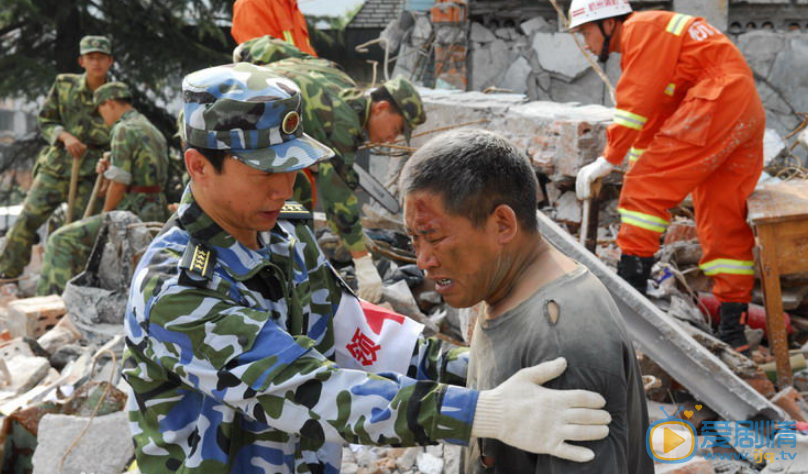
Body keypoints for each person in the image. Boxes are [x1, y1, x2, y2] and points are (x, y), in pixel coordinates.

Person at [123, 63, 612, 474]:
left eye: (292, 168)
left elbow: (361, 335)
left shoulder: (284, 236)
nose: (284, 189)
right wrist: (481, 411)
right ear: (198, 166)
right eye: (264, 173)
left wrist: (483, 369)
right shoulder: (178, 288)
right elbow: (306, 389)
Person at [399, 129, 652, 474]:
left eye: (435, 237)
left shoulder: (562, 338)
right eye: (414, 239)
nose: (423, 260)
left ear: (502, 224)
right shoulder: (501, 289)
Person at [570, 0, 765, 352]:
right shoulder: (662, 36)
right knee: (721, 216)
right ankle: (733, 331)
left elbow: (635, 104)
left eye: (585, 32)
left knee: (643, 192)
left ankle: (630, 302)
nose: (585, 43)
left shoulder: (642, 30)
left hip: (717, 101)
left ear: (609, 23)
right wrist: (631, 161)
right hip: (743, 110)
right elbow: (656, 120)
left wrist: (608, 160)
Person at [235, 35, 423, 303]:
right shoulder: (344, 123)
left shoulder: (337, 76)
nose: (391, 138)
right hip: (239, 140)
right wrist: (363, 261)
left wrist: (245, 54)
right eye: (395, 129)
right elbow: (338, 202)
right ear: (381, 107)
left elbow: (276, 48)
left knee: (296, 183)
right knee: (294, 204)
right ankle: (281, 278)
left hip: (237, 121)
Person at [37, 82, 169, 296]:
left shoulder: (122, 129)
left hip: (133, 212)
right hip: (155, 207)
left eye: (100, 111)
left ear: (108, 103)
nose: (102, 118)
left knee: (60, 240)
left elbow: (120, 183)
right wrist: (107, 174)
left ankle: (51, 304)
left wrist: (106, 215)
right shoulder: (150, 128)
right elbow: (137, 173)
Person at [0, 35, 115, 280]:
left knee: (83, 229)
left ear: (110, 61)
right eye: (91, 57)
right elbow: (45, 120)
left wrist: (109, 171)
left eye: (101, 58)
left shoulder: (115, 94)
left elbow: (120, 133)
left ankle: (77, 279)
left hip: (92, 173)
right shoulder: (64, 85)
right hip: (58, 165)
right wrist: (64, 136)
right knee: (28, 217)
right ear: (81, 61)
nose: (96, 63)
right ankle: (6, 274)